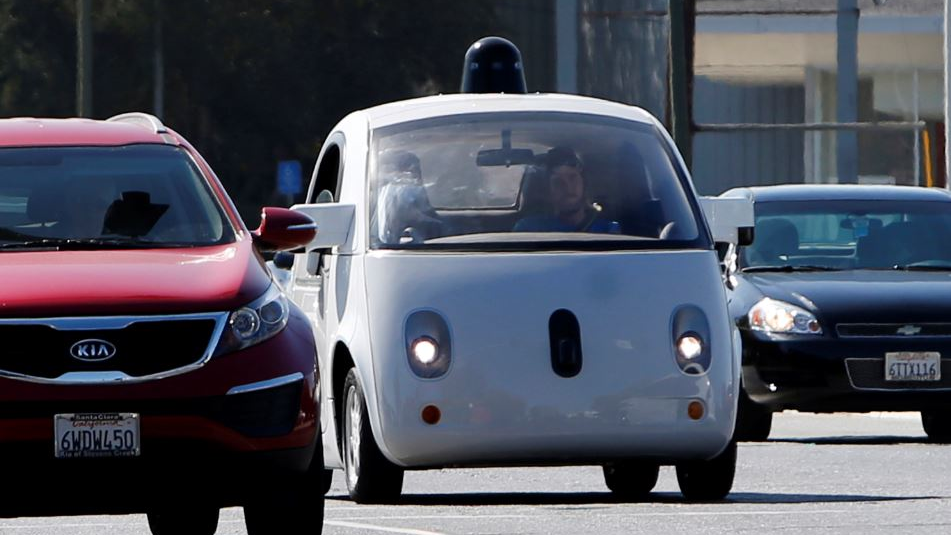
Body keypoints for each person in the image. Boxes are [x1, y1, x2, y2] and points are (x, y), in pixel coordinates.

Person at [514, 146, 620, 233]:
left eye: (572, 178)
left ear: (584, 182)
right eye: (557, 182)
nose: (567, 186)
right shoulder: (529, 230)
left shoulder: (608, 230)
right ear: (547, 190)